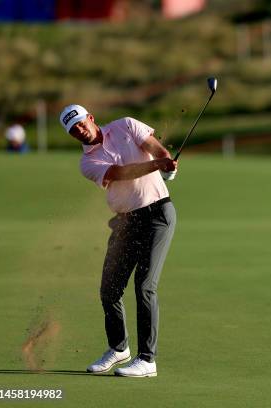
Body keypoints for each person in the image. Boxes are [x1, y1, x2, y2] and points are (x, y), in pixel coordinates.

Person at [59, 104, 177, 378]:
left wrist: (166, 163)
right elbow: (120, 173)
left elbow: (157, 148)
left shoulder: (125, 125)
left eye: (80, 123)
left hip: (158, 213)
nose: (79, 131)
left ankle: (147, 360)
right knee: (109, 289)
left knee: (145, 285)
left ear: (90, 117)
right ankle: (119, 348)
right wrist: (158, 165)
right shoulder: (87, 162)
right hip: (126, 222)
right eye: (72, 130)